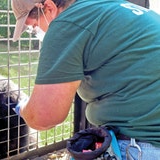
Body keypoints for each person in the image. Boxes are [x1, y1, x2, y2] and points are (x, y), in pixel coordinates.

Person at [11, 0, 160, 159]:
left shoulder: (67, 23)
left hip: (142, 144)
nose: (36, 32)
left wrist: (24, 108)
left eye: (33, 27)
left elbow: (44, 116)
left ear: (49, 7)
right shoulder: (110, 7)